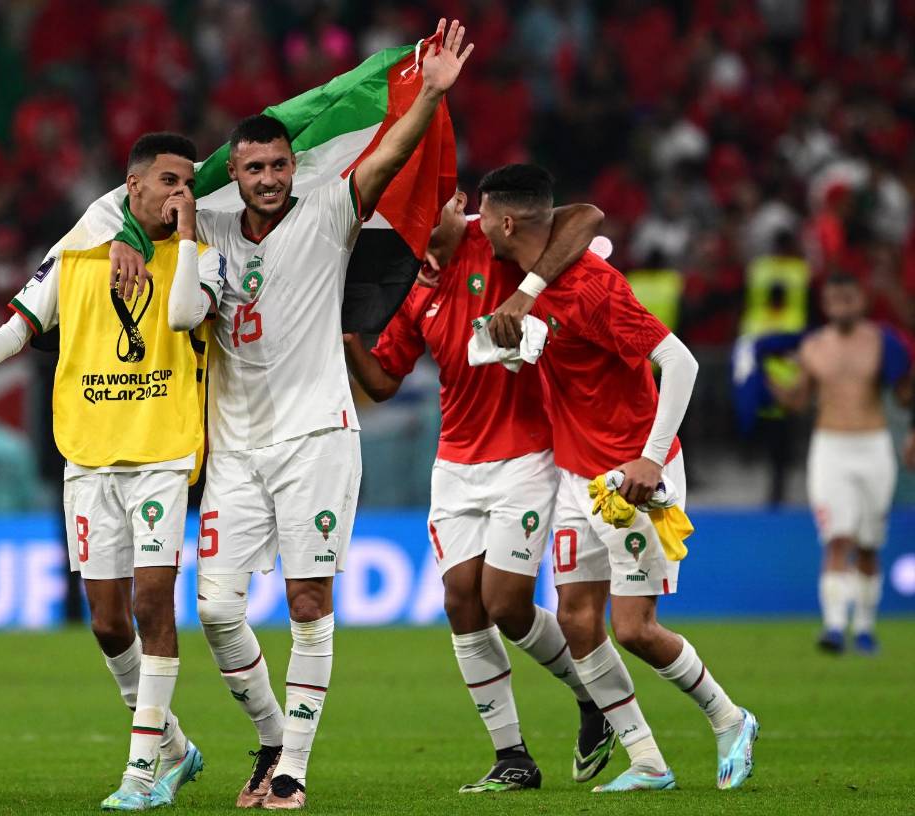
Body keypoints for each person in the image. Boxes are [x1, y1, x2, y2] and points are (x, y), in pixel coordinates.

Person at [108, 18, 474, 810]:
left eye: (279, 164)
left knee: (308, 605)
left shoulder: (328, 212)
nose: (270, 177)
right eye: (254, 168)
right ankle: (273, 738)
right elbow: (156, 248)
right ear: (232, 174)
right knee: (214, 610)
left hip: (316, 441)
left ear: (291, 166)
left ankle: (295, 770)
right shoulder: (204, 232)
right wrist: (134, 237)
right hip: (235, 449)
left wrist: (430, 96)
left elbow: (384, 159)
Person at [0, 132, 222, 811]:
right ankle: (177, 745)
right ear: (134, 186)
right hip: (88, 458)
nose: (184, 193)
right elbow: (22, 325)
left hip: (161, 452)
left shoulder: (201, 257)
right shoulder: (76, 254)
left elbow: (186, 315)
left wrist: (183, 241)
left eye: (190, 184)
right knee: (106, 623)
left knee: (153, 604)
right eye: (171, 182)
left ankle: (142, 773)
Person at [477, 164, 759, 793]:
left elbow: (679, 362)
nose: (480, 226)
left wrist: (651, 459)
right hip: (578, 479)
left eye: (483, 214)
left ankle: (731, 718)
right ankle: (648, 761)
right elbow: (573, 219)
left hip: (633, 476)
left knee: (633, 628)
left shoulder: (593, 288)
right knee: (577, 620)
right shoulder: (523, 274)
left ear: (505, 221)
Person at [342, 188, 617, 792]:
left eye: (429, 207)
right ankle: (511, 756)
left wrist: (526, 291)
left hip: (526, 453)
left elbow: (587, 216)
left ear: (458, 202)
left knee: (506, 603)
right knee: (460, 602)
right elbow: (387, 381)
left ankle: (593, 697)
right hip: (456, 465)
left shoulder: (496, 237)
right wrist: (348, 340)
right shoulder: (410, 280)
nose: (418, 223)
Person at [770, 274, 912, 654]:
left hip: (873, 443)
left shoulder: (881, 342)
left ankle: (864, 627)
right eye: (835, 300)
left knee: (868, 543)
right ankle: (834, 626)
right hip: (830, 446)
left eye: (848, 299)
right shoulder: (814, 347)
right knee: (837, 537)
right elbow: (799, 401)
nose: (842, 307)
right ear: (827, 304)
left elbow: (904, 391)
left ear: (860, 300)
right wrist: (773, 388)